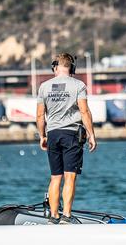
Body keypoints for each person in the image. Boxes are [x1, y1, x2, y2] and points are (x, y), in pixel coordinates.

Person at [36, 53, 97, 225]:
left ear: (55, 67)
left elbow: (40, 115)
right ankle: (66, 216)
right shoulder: (78, 85)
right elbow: (84, 111)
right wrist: (92, 134)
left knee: (55, 177)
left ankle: (54, 216)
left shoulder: (44, 87)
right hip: (71, 134)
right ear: (72, 68)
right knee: (69, 177)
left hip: (53, 134)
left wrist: (42, 136)